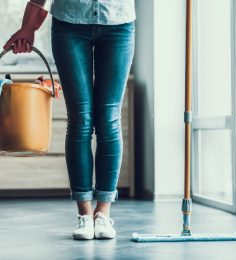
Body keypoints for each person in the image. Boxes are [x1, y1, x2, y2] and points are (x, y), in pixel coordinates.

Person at [3, 0, 136, 240]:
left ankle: (103, 213)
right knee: (80, 119)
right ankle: (84, 214)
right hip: (69, 25)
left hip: (119, 23)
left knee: (109, 120)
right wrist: (28, 27)